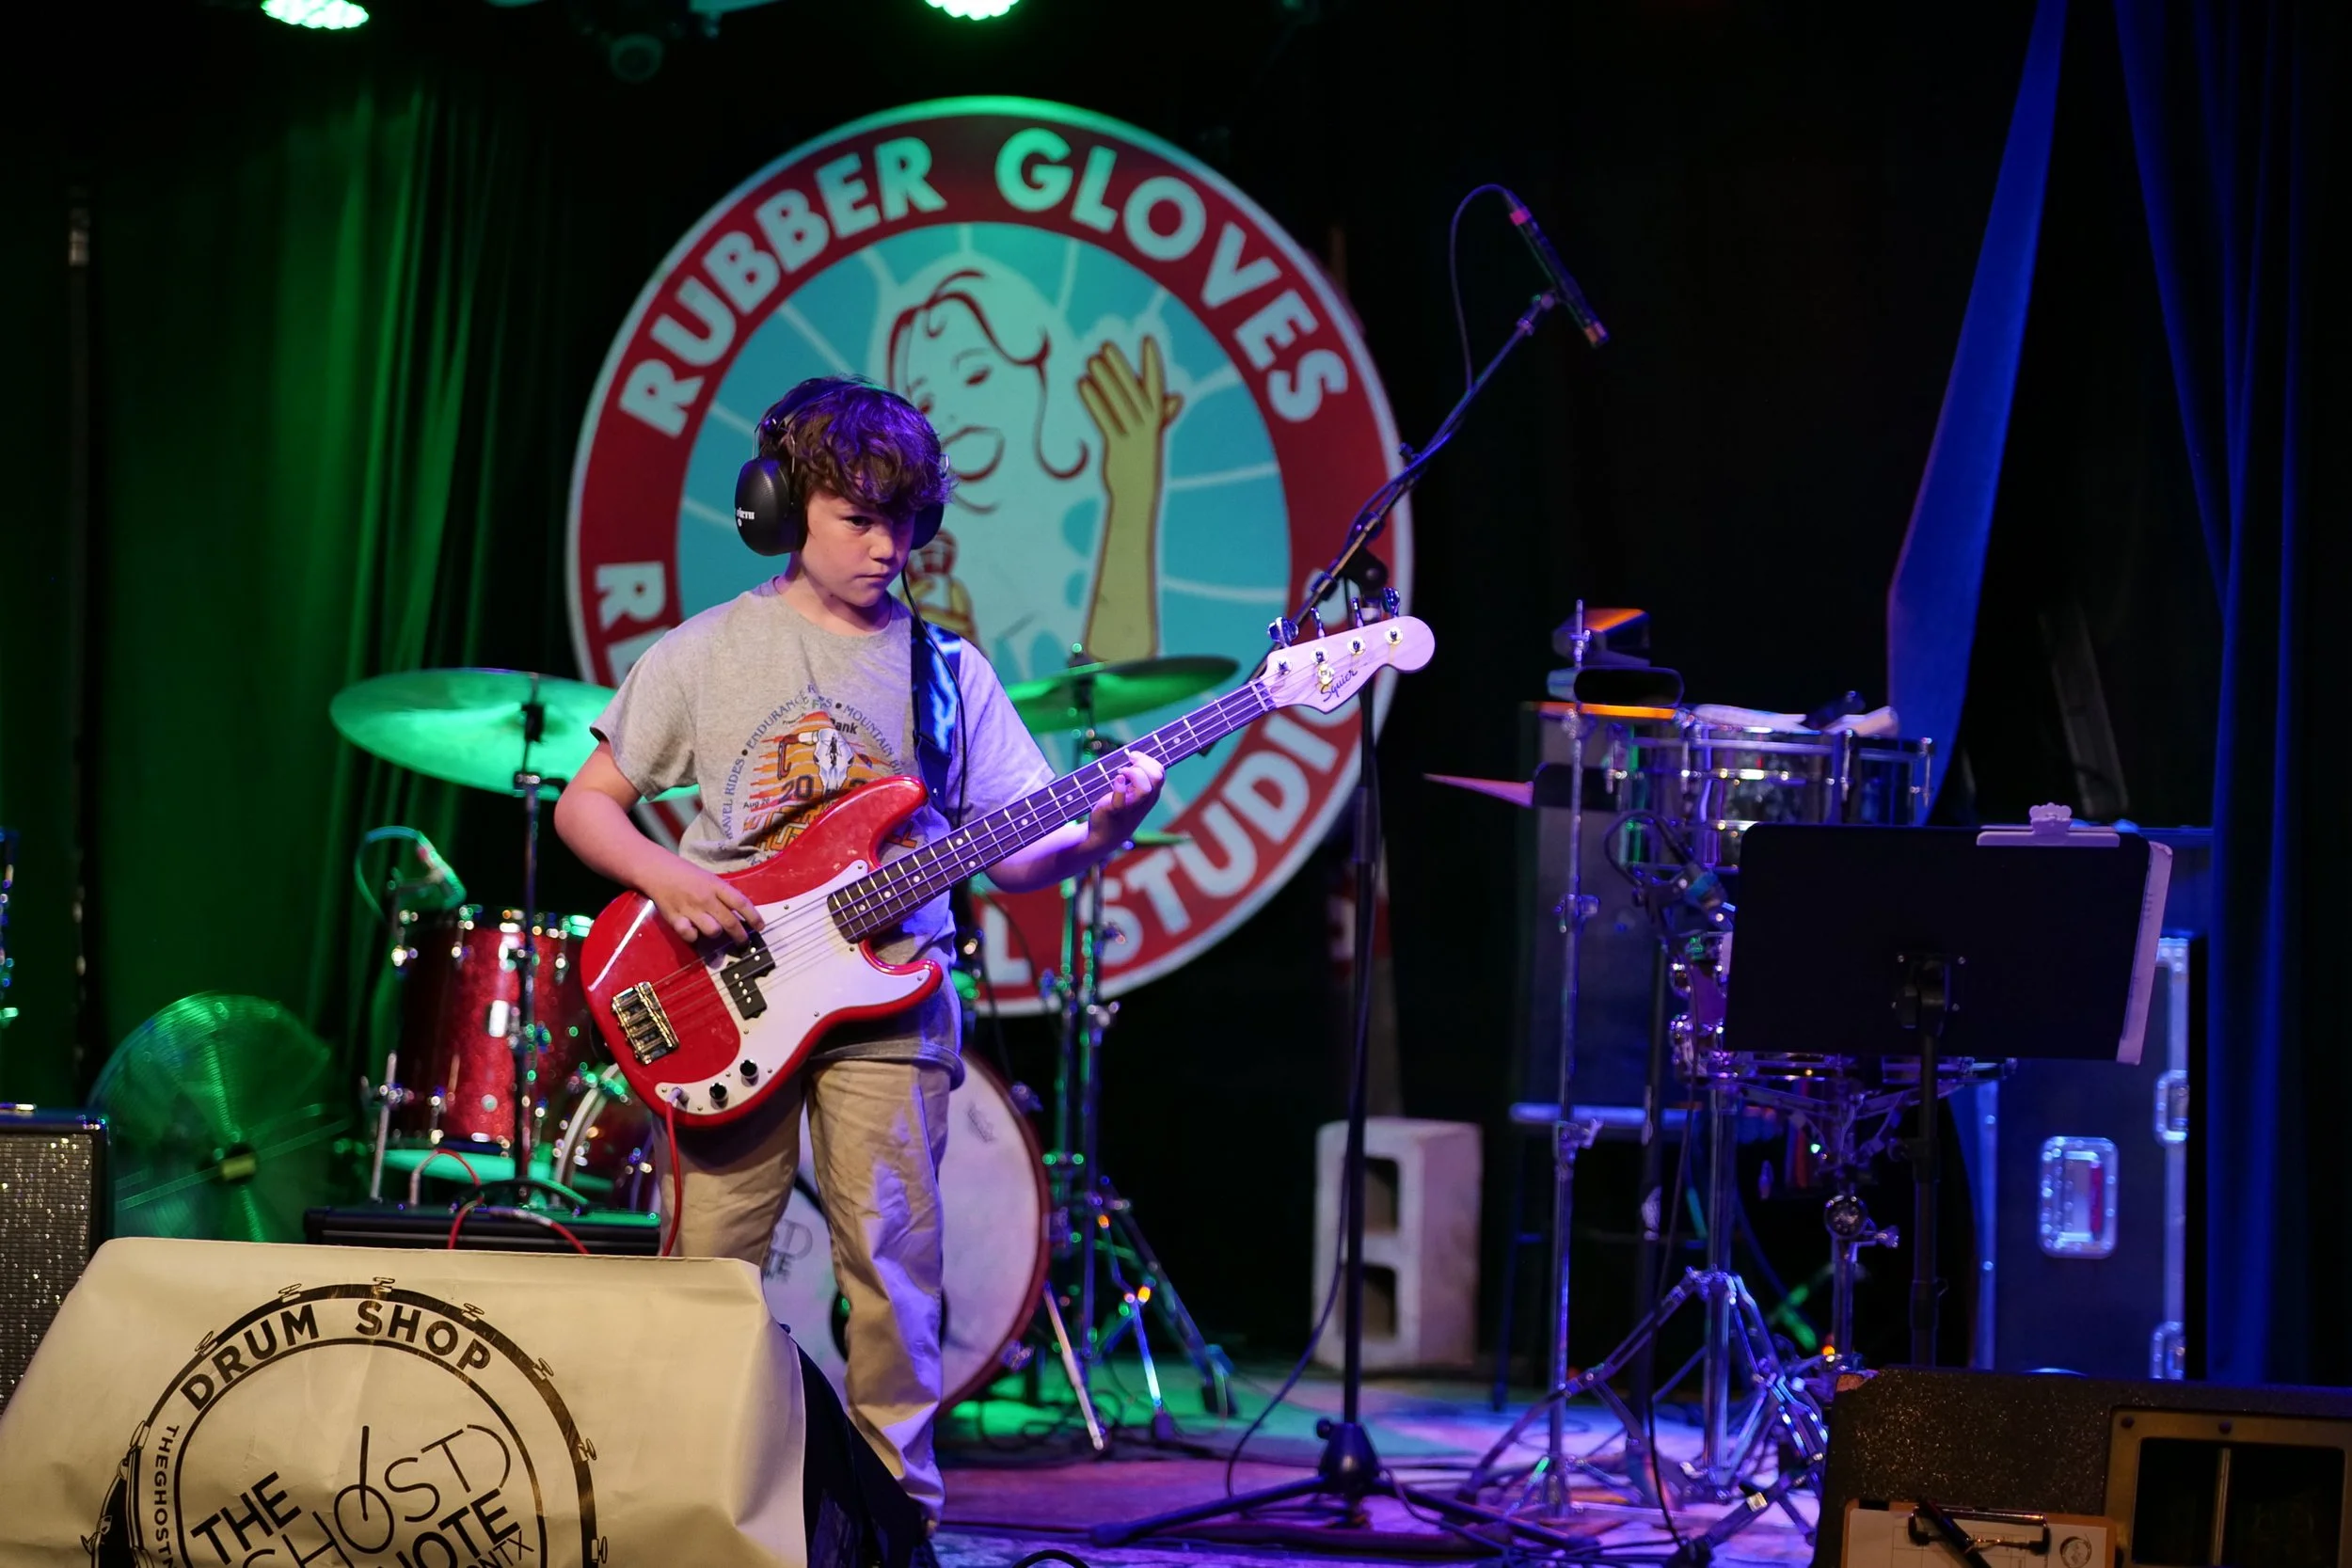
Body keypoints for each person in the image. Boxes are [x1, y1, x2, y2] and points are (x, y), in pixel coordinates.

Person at [552, 376, 1164, 1522]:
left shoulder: (949, 672)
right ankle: (691, 1505)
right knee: (708, 1277)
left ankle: (896, 1523)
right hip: (727, 1002)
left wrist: (1109, 826)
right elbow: (587, 806)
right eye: (859, 518)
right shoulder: (705, 651)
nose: (892, 547)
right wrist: (668, 873)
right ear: (785, 508)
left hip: (893, 1008)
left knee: (893, 1276)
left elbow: (1020, 855)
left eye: (910, 522)